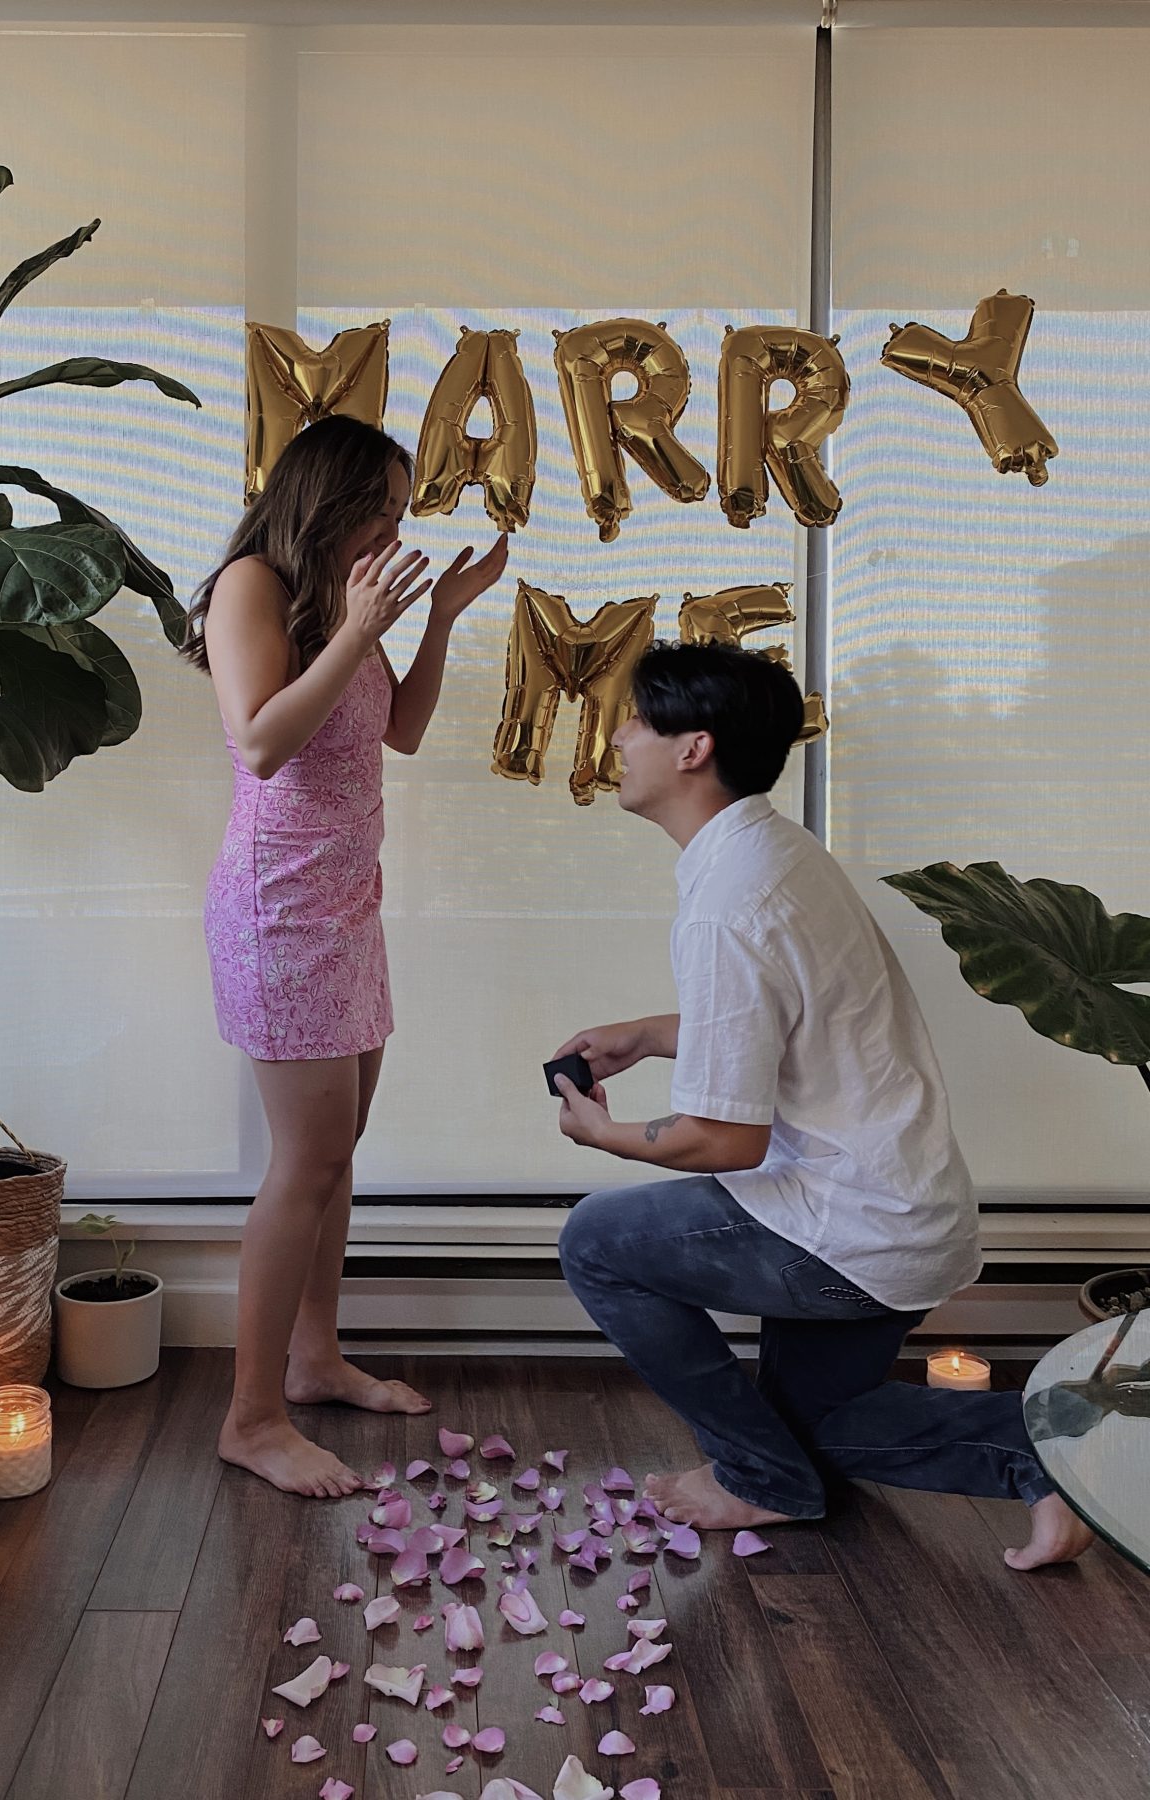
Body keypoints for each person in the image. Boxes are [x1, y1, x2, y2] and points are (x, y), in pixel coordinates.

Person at [551, 639, 1091, 1570]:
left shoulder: (730, 897)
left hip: (848, 1226)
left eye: (638, 718)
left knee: (597, 1243)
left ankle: (755, 1480)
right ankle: (1052, 1461)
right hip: (901, 1207)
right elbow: (781, 1019)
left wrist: (611, 1136)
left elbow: (724, 1135)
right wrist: (647, 1031)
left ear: (693, 749)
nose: (621, 735)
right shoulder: (773, 851)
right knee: (819, 1429)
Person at [185, 415, 508, 1498]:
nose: (395, 528)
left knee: (340, 1145)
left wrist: (438, 620)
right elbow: (263, 741)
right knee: (306, 1161)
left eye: (403, 511)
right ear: (325, 497)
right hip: (279, 911)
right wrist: (355, 624)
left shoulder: (342, 601)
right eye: (383, 507)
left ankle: (315, 1361)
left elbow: (399, 730)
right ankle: (252, 1415)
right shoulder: (253, 587)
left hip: (345, 907)